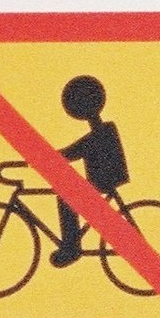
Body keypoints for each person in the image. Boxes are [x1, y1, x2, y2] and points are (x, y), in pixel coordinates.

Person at [50, 73, 129, 267]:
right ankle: (72, 246)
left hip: (105, 181)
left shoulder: (103, 131)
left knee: (65, 197)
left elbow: (77, 150)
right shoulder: (102, 130)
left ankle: (71, 248)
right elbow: (78, 148)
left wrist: (53, 157)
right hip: (102, 180)